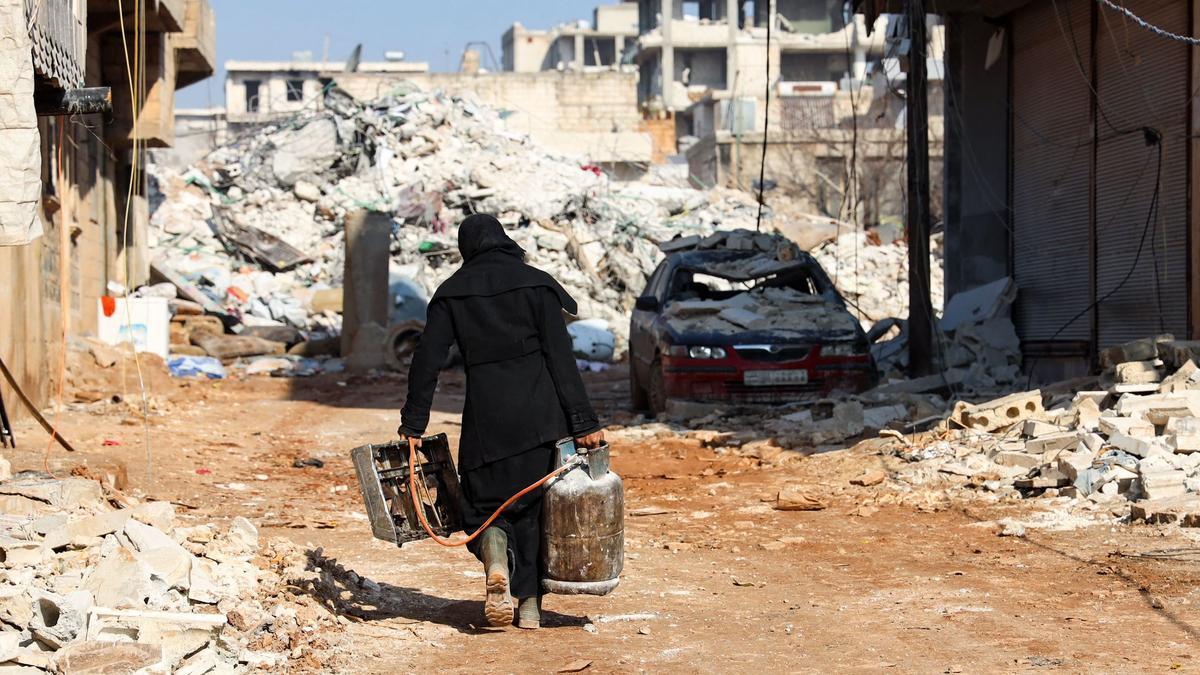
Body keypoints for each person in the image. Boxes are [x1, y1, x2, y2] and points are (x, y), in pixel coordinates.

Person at [398, 213, 604, 630]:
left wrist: (413, 424)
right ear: (505, 241)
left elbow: (426, 362)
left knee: (482, 506)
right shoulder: (537, 284)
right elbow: (562, 360)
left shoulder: (452, 294)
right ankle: (529, 609)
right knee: (532, 512)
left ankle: (494, 558)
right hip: (541, 419)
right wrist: (584, 423)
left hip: (484, 422)